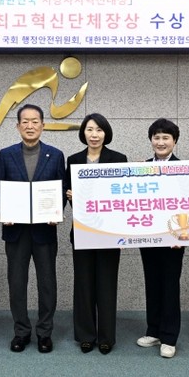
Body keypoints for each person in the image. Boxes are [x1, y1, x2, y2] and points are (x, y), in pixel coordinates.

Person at [0, 104, 66, 354]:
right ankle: (21, 332)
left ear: (43, 125)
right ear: (17, 126)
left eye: (35, 121)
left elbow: (61, 189)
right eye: (25, 121)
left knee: (47, 283)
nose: (30, 126)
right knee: (17, 283)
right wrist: (4, 212)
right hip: (16, 231)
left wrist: (57, 212)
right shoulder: (6, 154)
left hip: (45, 230)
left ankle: (45, 333)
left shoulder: (55, 155)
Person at [64, 113, 127, 355]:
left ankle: (106, 337)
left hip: (109, 232)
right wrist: (70, 195)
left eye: (99, 130)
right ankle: (86, 335)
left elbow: (123, 195)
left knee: (107, 284)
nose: (94, 135)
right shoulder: (74, 160)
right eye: (90, 129)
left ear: (106, 133)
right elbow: (68, 193)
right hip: (83, 231)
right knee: (84, 284)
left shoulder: (118, 159)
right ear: (83, 133)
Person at [136, 118, 185, 359]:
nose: (161, 142)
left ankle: (169, 337)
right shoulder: (142, 167)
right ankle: (153, 330)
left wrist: (182, 234)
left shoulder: (184, 168)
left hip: (174, 238)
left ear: (174, 141)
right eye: (157, 137)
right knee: (152, 282)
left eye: (166, 137)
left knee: (170, 285)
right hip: (148, 236)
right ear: (151, 140)